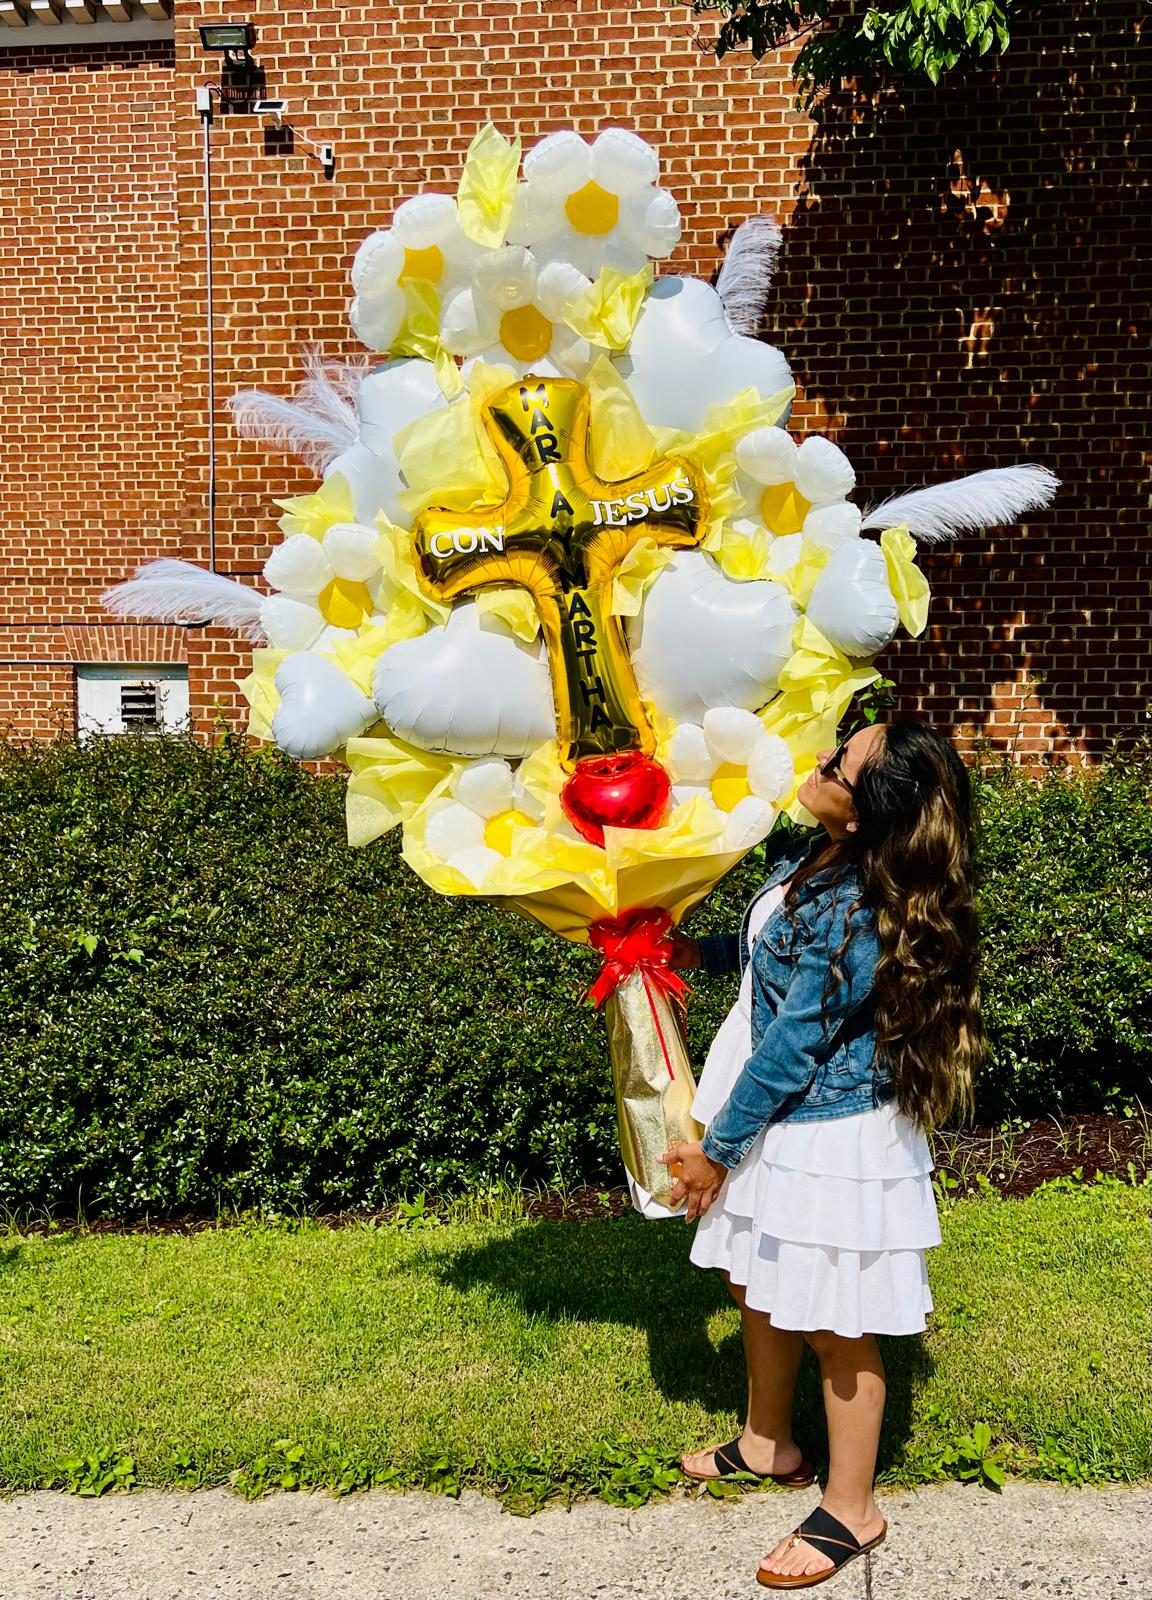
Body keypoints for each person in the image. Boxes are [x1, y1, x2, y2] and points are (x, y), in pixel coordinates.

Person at [659, 718, 983, 1591]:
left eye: (837, 762)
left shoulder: (858, 907)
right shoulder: (822, 854)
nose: (815, 762)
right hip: (779, 1111)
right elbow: (777, 945)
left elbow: (798, 1039)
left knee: (838, 1323)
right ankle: (770, 1442)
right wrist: (703, 951)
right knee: (756, 1277)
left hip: (826, 1131)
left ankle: (853, 1507)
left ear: (865, 808)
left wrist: (718, 1150)